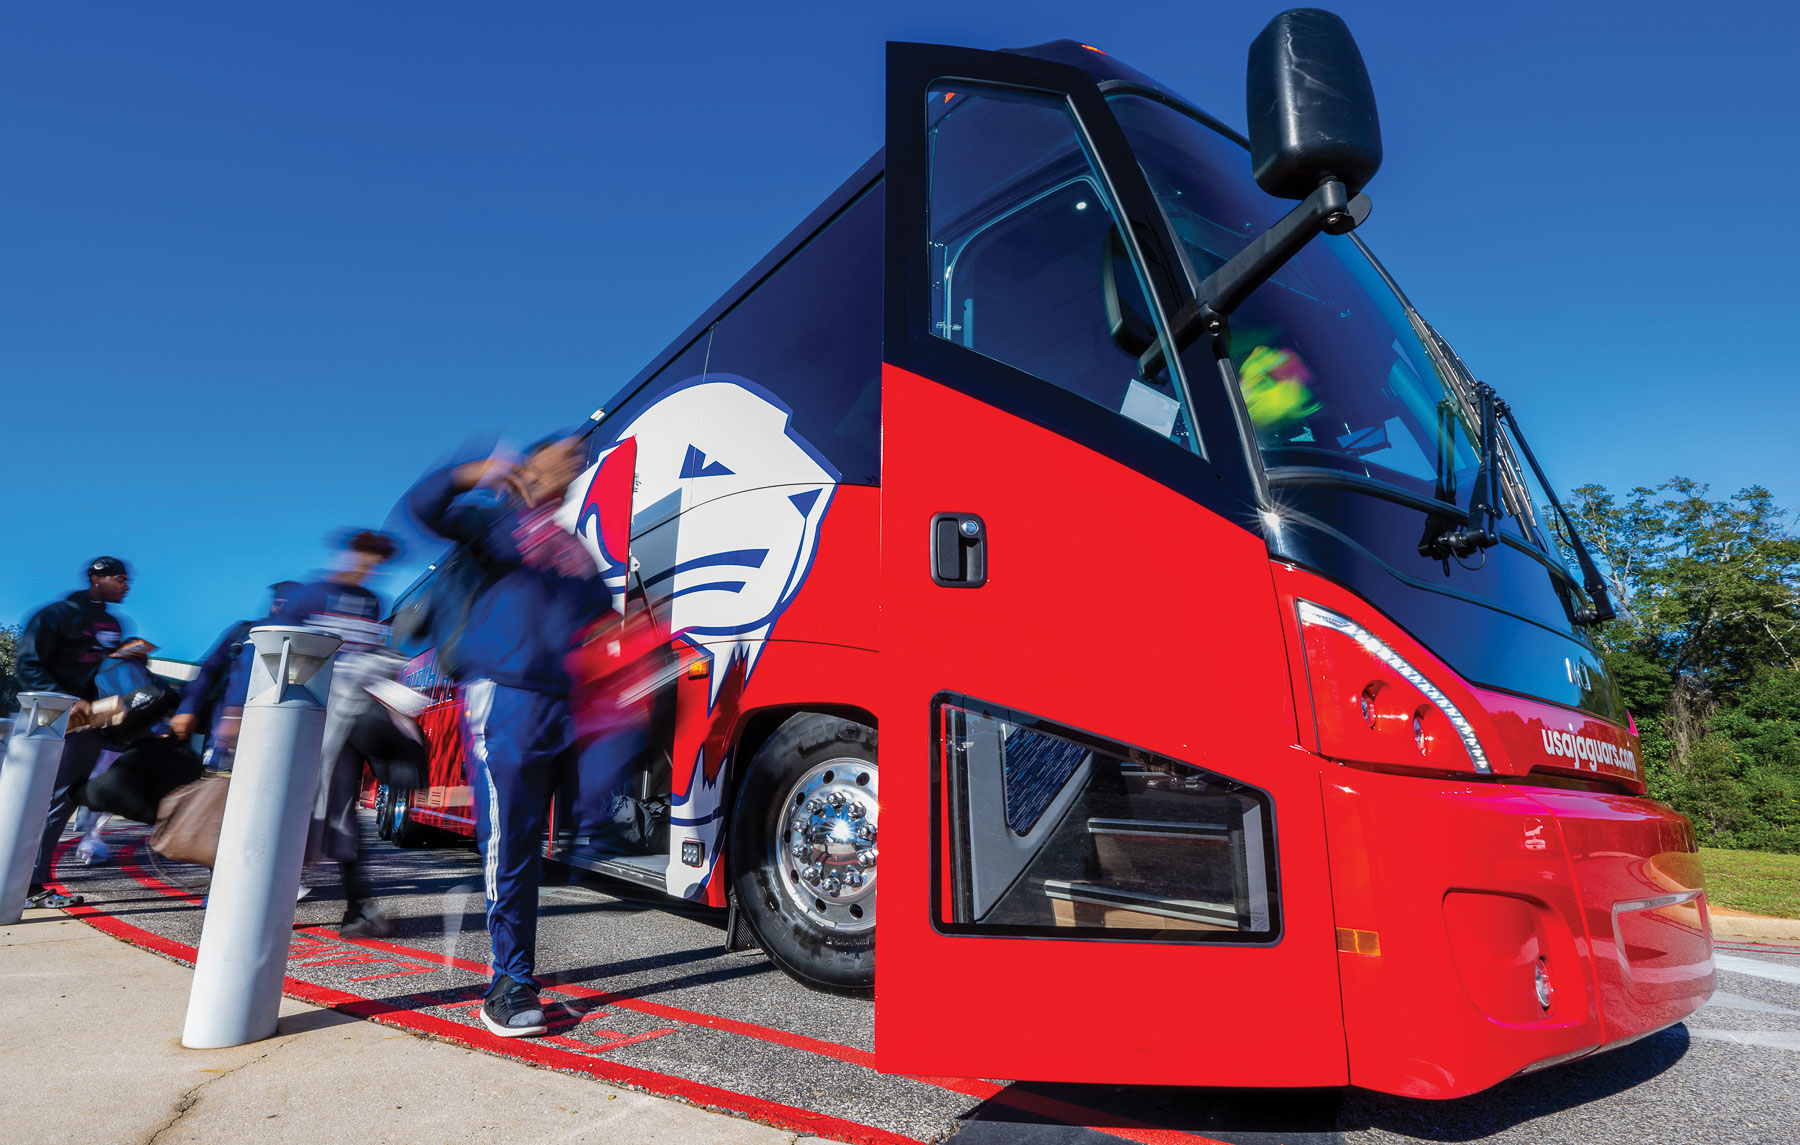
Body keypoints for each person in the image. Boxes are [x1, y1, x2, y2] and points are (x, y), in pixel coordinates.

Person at [406, 434, 612, 1038]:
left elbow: (599, 624)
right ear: (536, 459)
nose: (576, 464)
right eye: (566, 453)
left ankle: (515, 963)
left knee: (548, 837)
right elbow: (423, 509)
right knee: (511, 837)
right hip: (506, 696)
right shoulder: (496, 520)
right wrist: (475, 471)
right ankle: (509, 979)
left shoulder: (576, 550)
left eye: (582, 459)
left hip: (564, 707)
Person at [287, 530, 399, 937]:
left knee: (342, 812)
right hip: (306, 719)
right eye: (366, 555)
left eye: (378, 560)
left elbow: (370, 657)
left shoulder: (373, 602)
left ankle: (357, 906)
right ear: (348, 553)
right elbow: (280, 652)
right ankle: (263, 892)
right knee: (294, 807)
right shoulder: (310, 594)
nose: (370, 566)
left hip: (347, 722)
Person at [15, 556, 130, 910]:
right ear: (97, 578)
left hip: (90, 727)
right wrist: (66, 699)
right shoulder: (55, 615)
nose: (126, 587)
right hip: (48, 721)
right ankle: (22, 882)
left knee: (61, 802)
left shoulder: (112, 621)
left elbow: (105, 672)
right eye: (120, 579)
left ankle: (33, 881)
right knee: (31, 800)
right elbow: (28, 664)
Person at [171, 581, 303, 769]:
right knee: (216, 785)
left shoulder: (308, 639)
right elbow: (208, 671)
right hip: (225, 731)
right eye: (277, 602)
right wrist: (187, 709)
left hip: (279, 733)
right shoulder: (243, 632)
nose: (280, 607)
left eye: (288, 603)